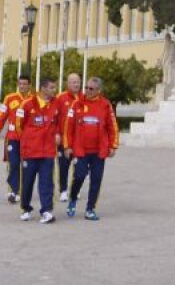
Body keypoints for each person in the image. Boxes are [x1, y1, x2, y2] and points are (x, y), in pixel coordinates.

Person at [63, 76, 119, 220]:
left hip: (99, 152)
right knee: (80, 176)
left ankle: (90, 209)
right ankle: (73, 199)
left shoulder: (106, 105)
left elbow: (113, 127)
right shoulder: (76, 104)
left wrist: (113, 145)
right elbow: (68, 127)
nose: (87, 91)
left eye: (91, 89)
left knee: (96, 180)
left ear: (99, 90)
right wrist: (67, 146)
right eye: (86, 88)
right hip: (81, 150)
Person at [15, 78, 61, 224]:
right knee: (27, 182)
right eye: (52, 87)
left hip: (48, 152)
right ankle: (26, 208)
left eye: (55, 87)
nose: (55, 90)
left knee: (47, 182)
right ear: (43, 88)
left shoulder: (56, 104)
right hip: (30, 152)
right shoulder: (27, 104)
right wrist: (28, 141)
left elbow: (59, 122)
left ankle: (46, 211)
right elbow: (18, 125)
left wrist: (58, 134)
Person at [2, 74, 31, 204]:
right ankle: (14, 190)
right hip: (13, 138)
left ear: (29, 85)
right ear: (18, 84)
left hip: (28, 139)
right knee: (13, 164)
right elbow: (2, 116)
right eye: (20, 84)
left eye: (25, 84)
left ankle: (24, 189)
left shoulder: (34, 99)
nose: (22, 86)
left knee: (27, 166)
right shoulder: (9, 98)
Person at [55, 72, 83, 202]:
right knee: (64, 166)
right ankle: (63, 190)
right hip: (64, 139)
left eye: (78, 81)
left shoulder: (84, 97)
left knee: (79, 167)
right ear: (67, 83)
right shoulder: (60, 98)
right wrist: (56, 134)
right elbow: (53, 117)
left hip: (80, 140)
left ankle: (75, 190)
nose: (76, 84)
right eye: (73, 82)